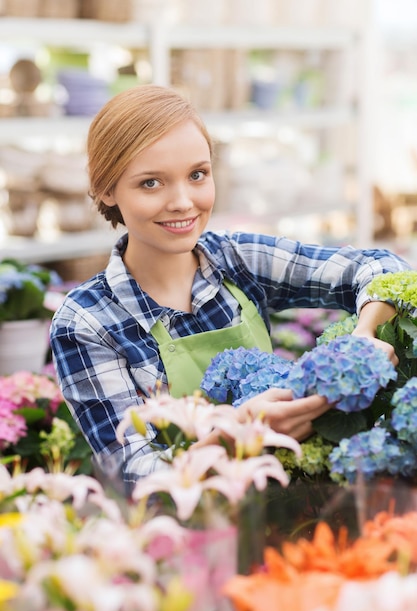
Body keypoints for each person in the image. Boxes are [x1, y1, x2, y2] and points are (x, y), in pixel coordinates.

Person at [50, 84, 410, 491]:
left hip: (286, 509)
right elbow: (134, 476)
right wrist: (236, 433)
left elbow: (380, 266)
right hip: (192, 539)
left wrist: (362, 336)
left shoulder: (237, 260)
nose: (183, 201)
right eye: (151, 183)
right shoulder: (87, 321)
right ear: (106, 189)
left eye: (197, 175)